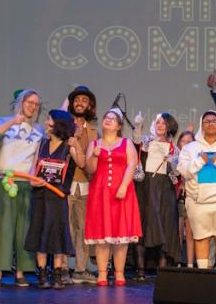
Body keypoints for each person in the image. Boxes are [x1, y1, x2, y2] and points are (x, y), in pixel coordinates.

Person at [0, 89, 44, 287]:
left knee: (24, 228)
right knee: (3, 226)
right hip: (5, 179)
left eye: (36, 104)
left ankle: (21, 271)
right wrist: (13, 122)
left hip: (26, 181)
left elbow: (39, 157)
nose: (33, 106)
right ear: (21, 102)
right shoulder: (4, 121)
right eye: (29, 102)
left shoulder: (39, 130)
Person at [24, 110, 82, 290]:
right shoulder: (41, 144)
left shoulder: (68, 146)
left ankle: (57, 274)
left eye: (49, 119)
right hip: (40, 196)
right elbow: (33, 172)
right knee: (41, 233)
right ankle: (42, 274)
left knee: (57, 235)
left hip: (58, 197)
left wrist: (77, 144)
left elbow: (81, 163)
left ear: (58, 124)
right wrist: (35, 181)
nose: (46, 122)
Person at [84, 108, 142, 286]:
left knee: (120, 234)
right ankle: (102, 273)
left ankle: (119, 272)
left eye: (112, 118)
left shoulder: (126, 143)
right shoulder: (94, 144)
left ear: (118, 126)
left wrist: (124, 186)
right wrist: (94, 157)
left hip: (121, 191)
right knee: (102, 234)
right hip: (100, 193)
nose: (108, 120)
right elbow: (90, 170)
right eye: (106, 117)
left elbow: (132, 164)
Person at [177, 111, 216, 270]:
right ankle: (203, 273)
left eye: (214, 121)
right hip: (198, 201)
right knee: (200, 237)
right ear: (201, 125)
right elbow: (184, 170)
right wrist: (200, 160)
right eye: (206, 121)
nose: (210, 124)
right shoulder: (189, 148)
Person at [132, 112, 182, 279]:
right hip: (145, 188)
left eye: (164, 123)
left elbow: (177, 173)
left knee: (166, 226)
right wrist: (138, 126)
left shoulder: (175, 149)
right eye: (158, 122)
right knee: (143, 225)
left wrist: (173, 161)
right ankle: (140, 271)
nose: (160, 125)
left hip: (165, 190)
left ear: (170, 126)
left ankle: (162, 272)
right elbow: (136, 143)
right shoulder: (147, 141)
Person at [66, 85, 99, 285]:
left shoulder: (94, 131)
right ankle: (61, 268)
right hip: (66, 183)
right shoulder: (63, 124)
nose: (80, 103)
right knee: (65, 227)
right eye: (77, 99)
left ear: (90, 106)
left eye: (84, 100)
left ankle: (80, 269)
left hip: (86, 184)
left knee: (84, 229)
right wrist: (75, 136)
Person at [175, 130, 196, 267]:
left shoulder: (196, 160)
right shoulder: (174, 159)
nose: (187, 144)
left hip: (191, 196)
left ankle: (189, 264)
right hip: (177, 198)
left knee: (190, 233)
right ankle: (177, 262)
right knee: (177, 232)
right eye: (184, 141)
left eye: (190, 141)